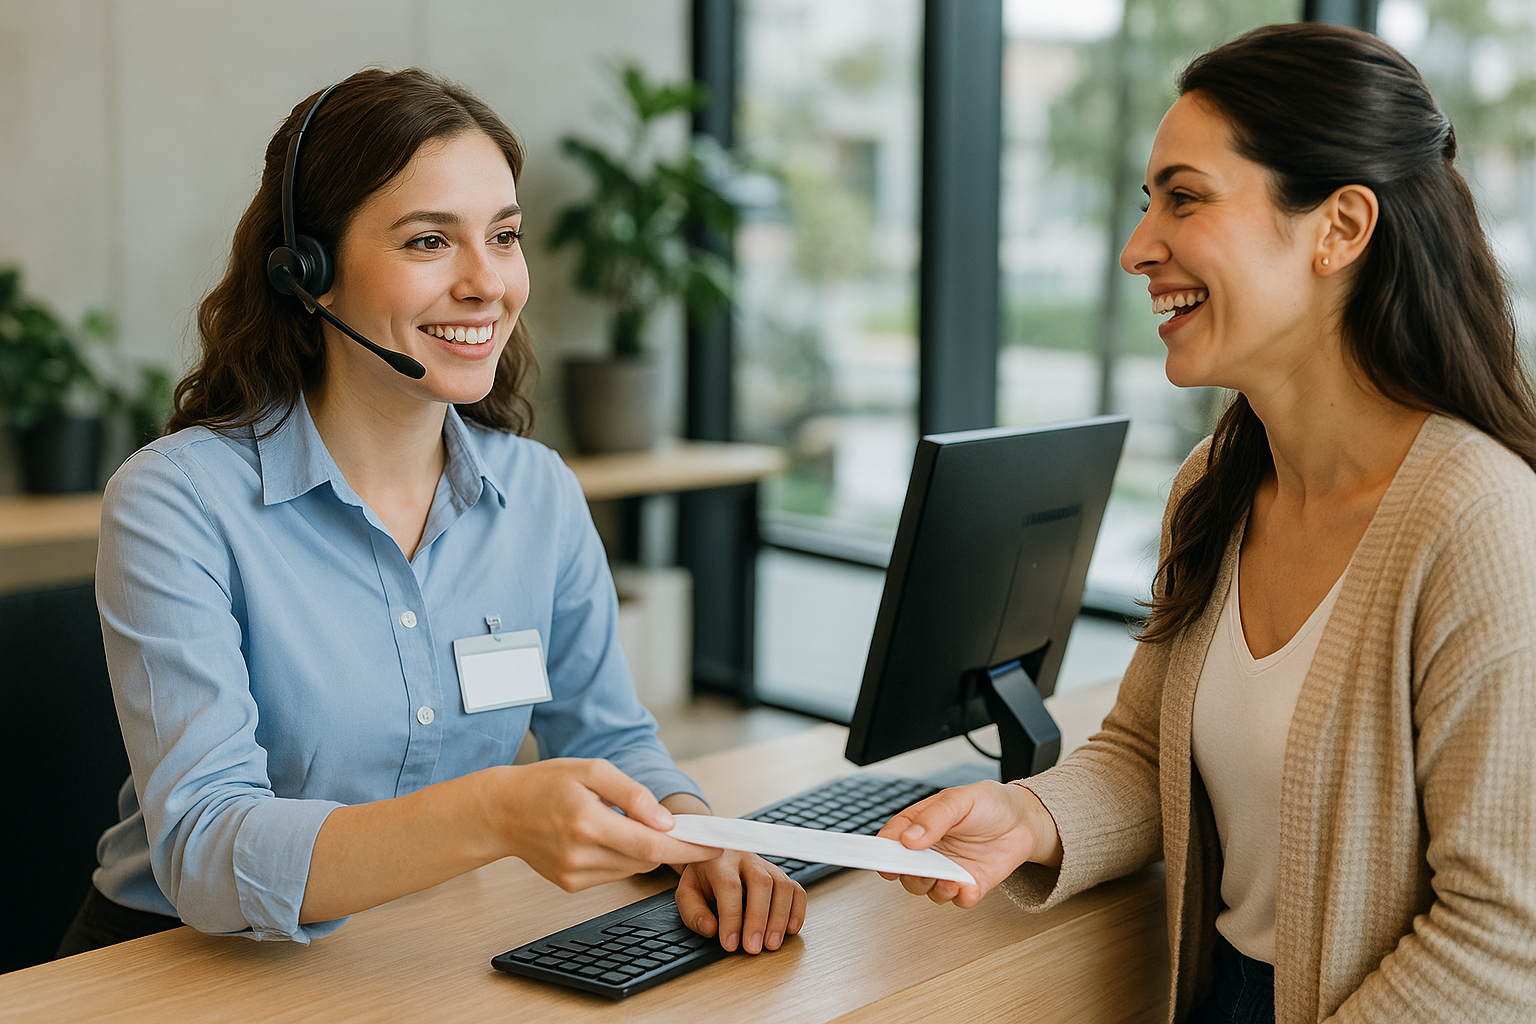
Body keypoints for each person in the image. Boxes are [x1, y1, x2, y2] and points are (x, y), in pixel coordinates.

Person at [59, 67, 804, 959]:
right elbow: (207, 853)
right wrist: (490, 813)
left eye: (504, 235)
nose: (488, 283)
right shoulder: (178, 502)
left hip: (418, 947)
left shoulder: (538, 494)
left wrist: (696, 840)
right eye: (428, 242)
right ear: (311, 274)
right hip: (179, 965)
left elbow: (607, 733)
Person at [876, 23, 1536, 1024]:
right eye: (1148, 203)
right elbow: (1146, 750)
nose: (1141, 246)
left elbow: (1500, 940)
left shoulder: (1479, 521)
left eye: (1184, 198)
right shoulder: (1216, 486)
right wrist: (1029, 814)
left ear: (1340, 228)